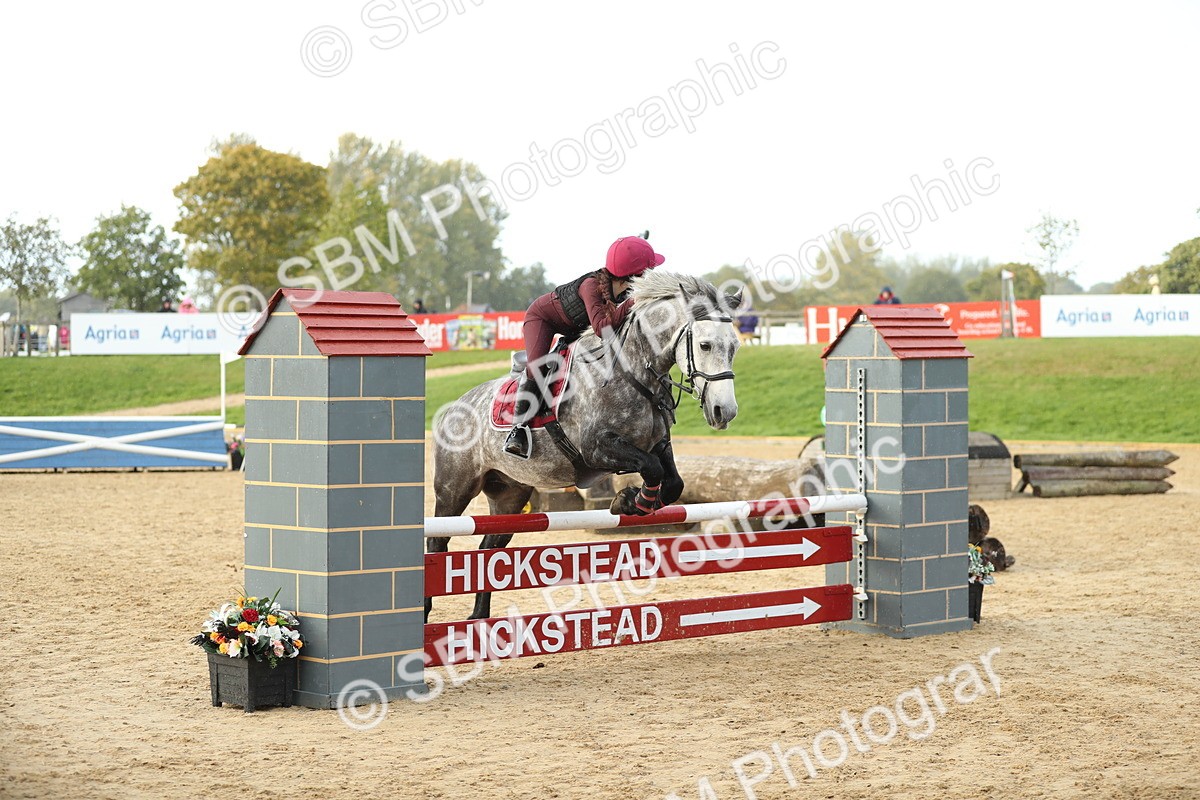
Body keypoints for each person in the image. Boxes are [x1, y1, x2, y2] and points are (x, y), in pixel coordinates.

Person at [504, 235, 666, 459]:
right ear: (634, 276)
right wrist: (632, 302)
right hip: (543, 319)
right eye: (646, 273)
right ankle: (518, 430)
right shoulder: (592, 286)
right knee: (537, 368)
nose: (650, 277)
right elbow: (602, 329)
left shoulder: (622, 289)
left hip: (575, 328)